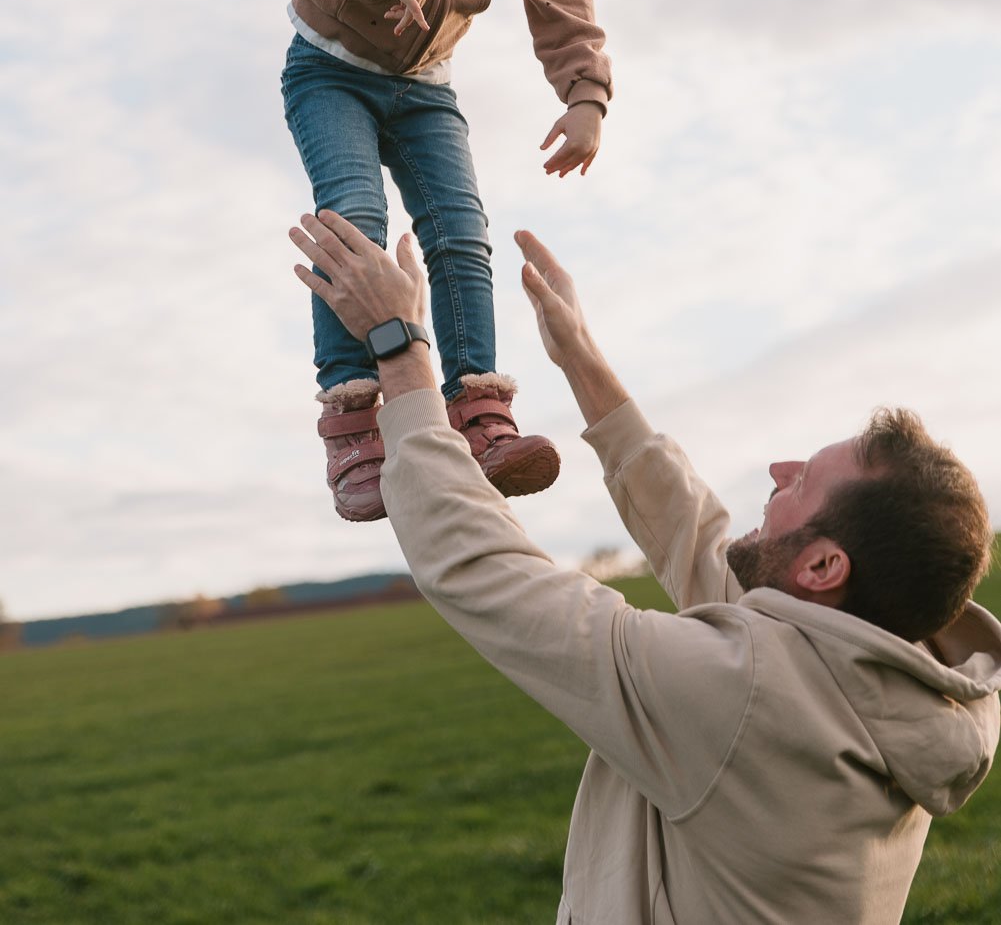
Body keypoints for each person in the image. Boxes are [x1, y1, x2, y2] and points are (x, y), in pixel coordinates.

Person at [287, 208, 1001, 925]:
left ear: (821, 566)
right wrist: (579, 356)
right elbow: (698, 539)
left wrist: (400, 344)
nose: (777, 469)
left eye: (802, 482)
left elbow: (481, 568)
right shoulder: (886, 681)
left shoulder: (742, 698)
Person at [256, 0, 612, 523]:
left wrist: (585, 93)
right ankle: (351, 424)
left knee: (460, 233)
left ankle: (480, 414)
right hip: (330, 68)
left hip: (423, 90)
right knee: (356, 220)